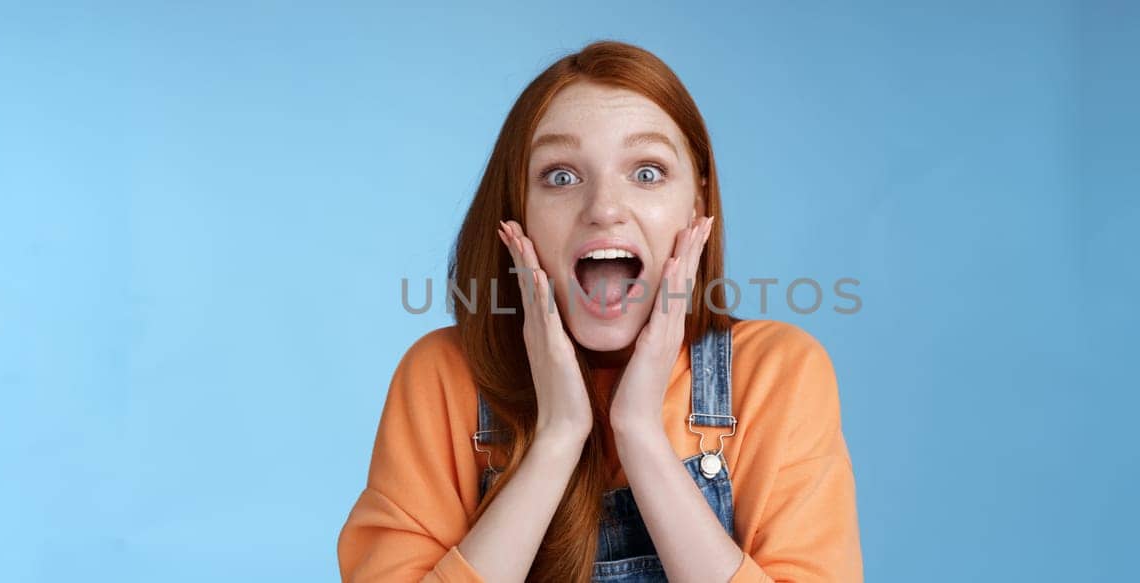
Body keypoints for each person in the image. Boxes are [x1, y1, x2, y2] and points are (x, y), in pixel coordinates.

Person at [338, 40, 862, 582]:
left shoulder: (778, 374)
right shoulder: (443, 377)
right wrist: (559, 436)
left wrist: (638, 431)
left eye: (648, 172)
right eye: (561, 176)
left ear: (698, 203)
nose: (604, 209)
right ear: (517, 210)